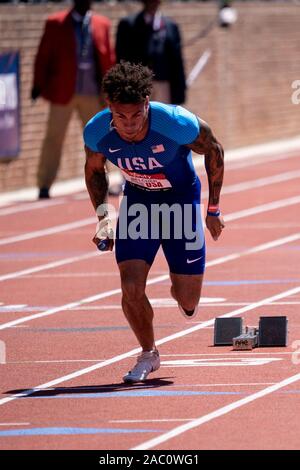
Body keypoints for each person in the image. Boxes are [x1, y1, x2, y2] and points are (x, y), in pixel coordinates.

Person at [83, 62, 225, 384]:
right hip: (139, 204)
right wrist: (104, 218)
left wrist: (212, 209)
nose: (129, 125)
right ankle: (148, 353)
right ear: (110, 110)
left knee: (188, 303)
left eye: (137, 116)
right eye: (121, 117)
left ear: (148, 103)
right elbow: (94, 170)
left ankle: (180, 285)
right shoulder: (96, 131)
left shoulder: (175, 122)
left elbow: (214, 151)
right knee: (131, 285)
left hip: (180, 201)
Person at [31, 0, 120, 199]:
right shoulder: (56, 23)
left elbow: (109, 57)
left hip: (92, 91)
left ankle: (105, 180)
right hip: (63, 92)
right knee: (54, 138)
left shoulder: (101, 23)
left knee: (101, 139)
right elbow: (43, 55)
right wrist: (38, 85)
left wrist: (112, 90)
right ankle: (44, 184)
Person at [116, 0, 186, 105]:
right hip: (137, 85)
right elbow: (121, 58)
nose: (152, 3)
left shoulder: (170, 26)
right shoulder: (128, 24)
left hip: (163, 84)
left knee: (162, 118)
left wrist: (180, 89)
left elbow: (177, 60)